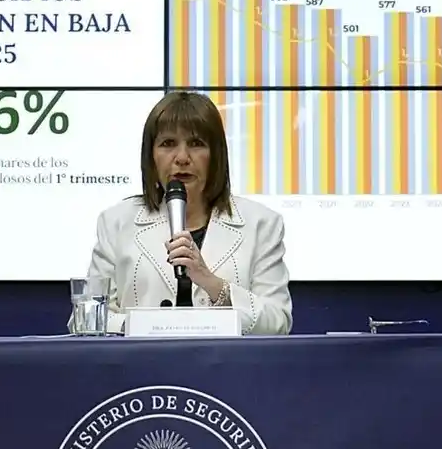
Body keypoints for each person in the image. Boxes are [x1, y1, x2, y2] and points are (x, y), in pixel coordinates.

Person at [74, 92, 293, 335]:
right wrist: (142, 327)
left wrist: (211, 283)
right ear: (152, 156)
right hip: (141, 368)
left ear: (215, 155)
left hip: (227, 368)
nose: (181, 158)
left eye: (196, 143)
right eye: (168, 144)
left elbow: (278, 322)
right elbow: (85, 319)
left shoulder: (261, 224)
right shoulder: (116, 222)